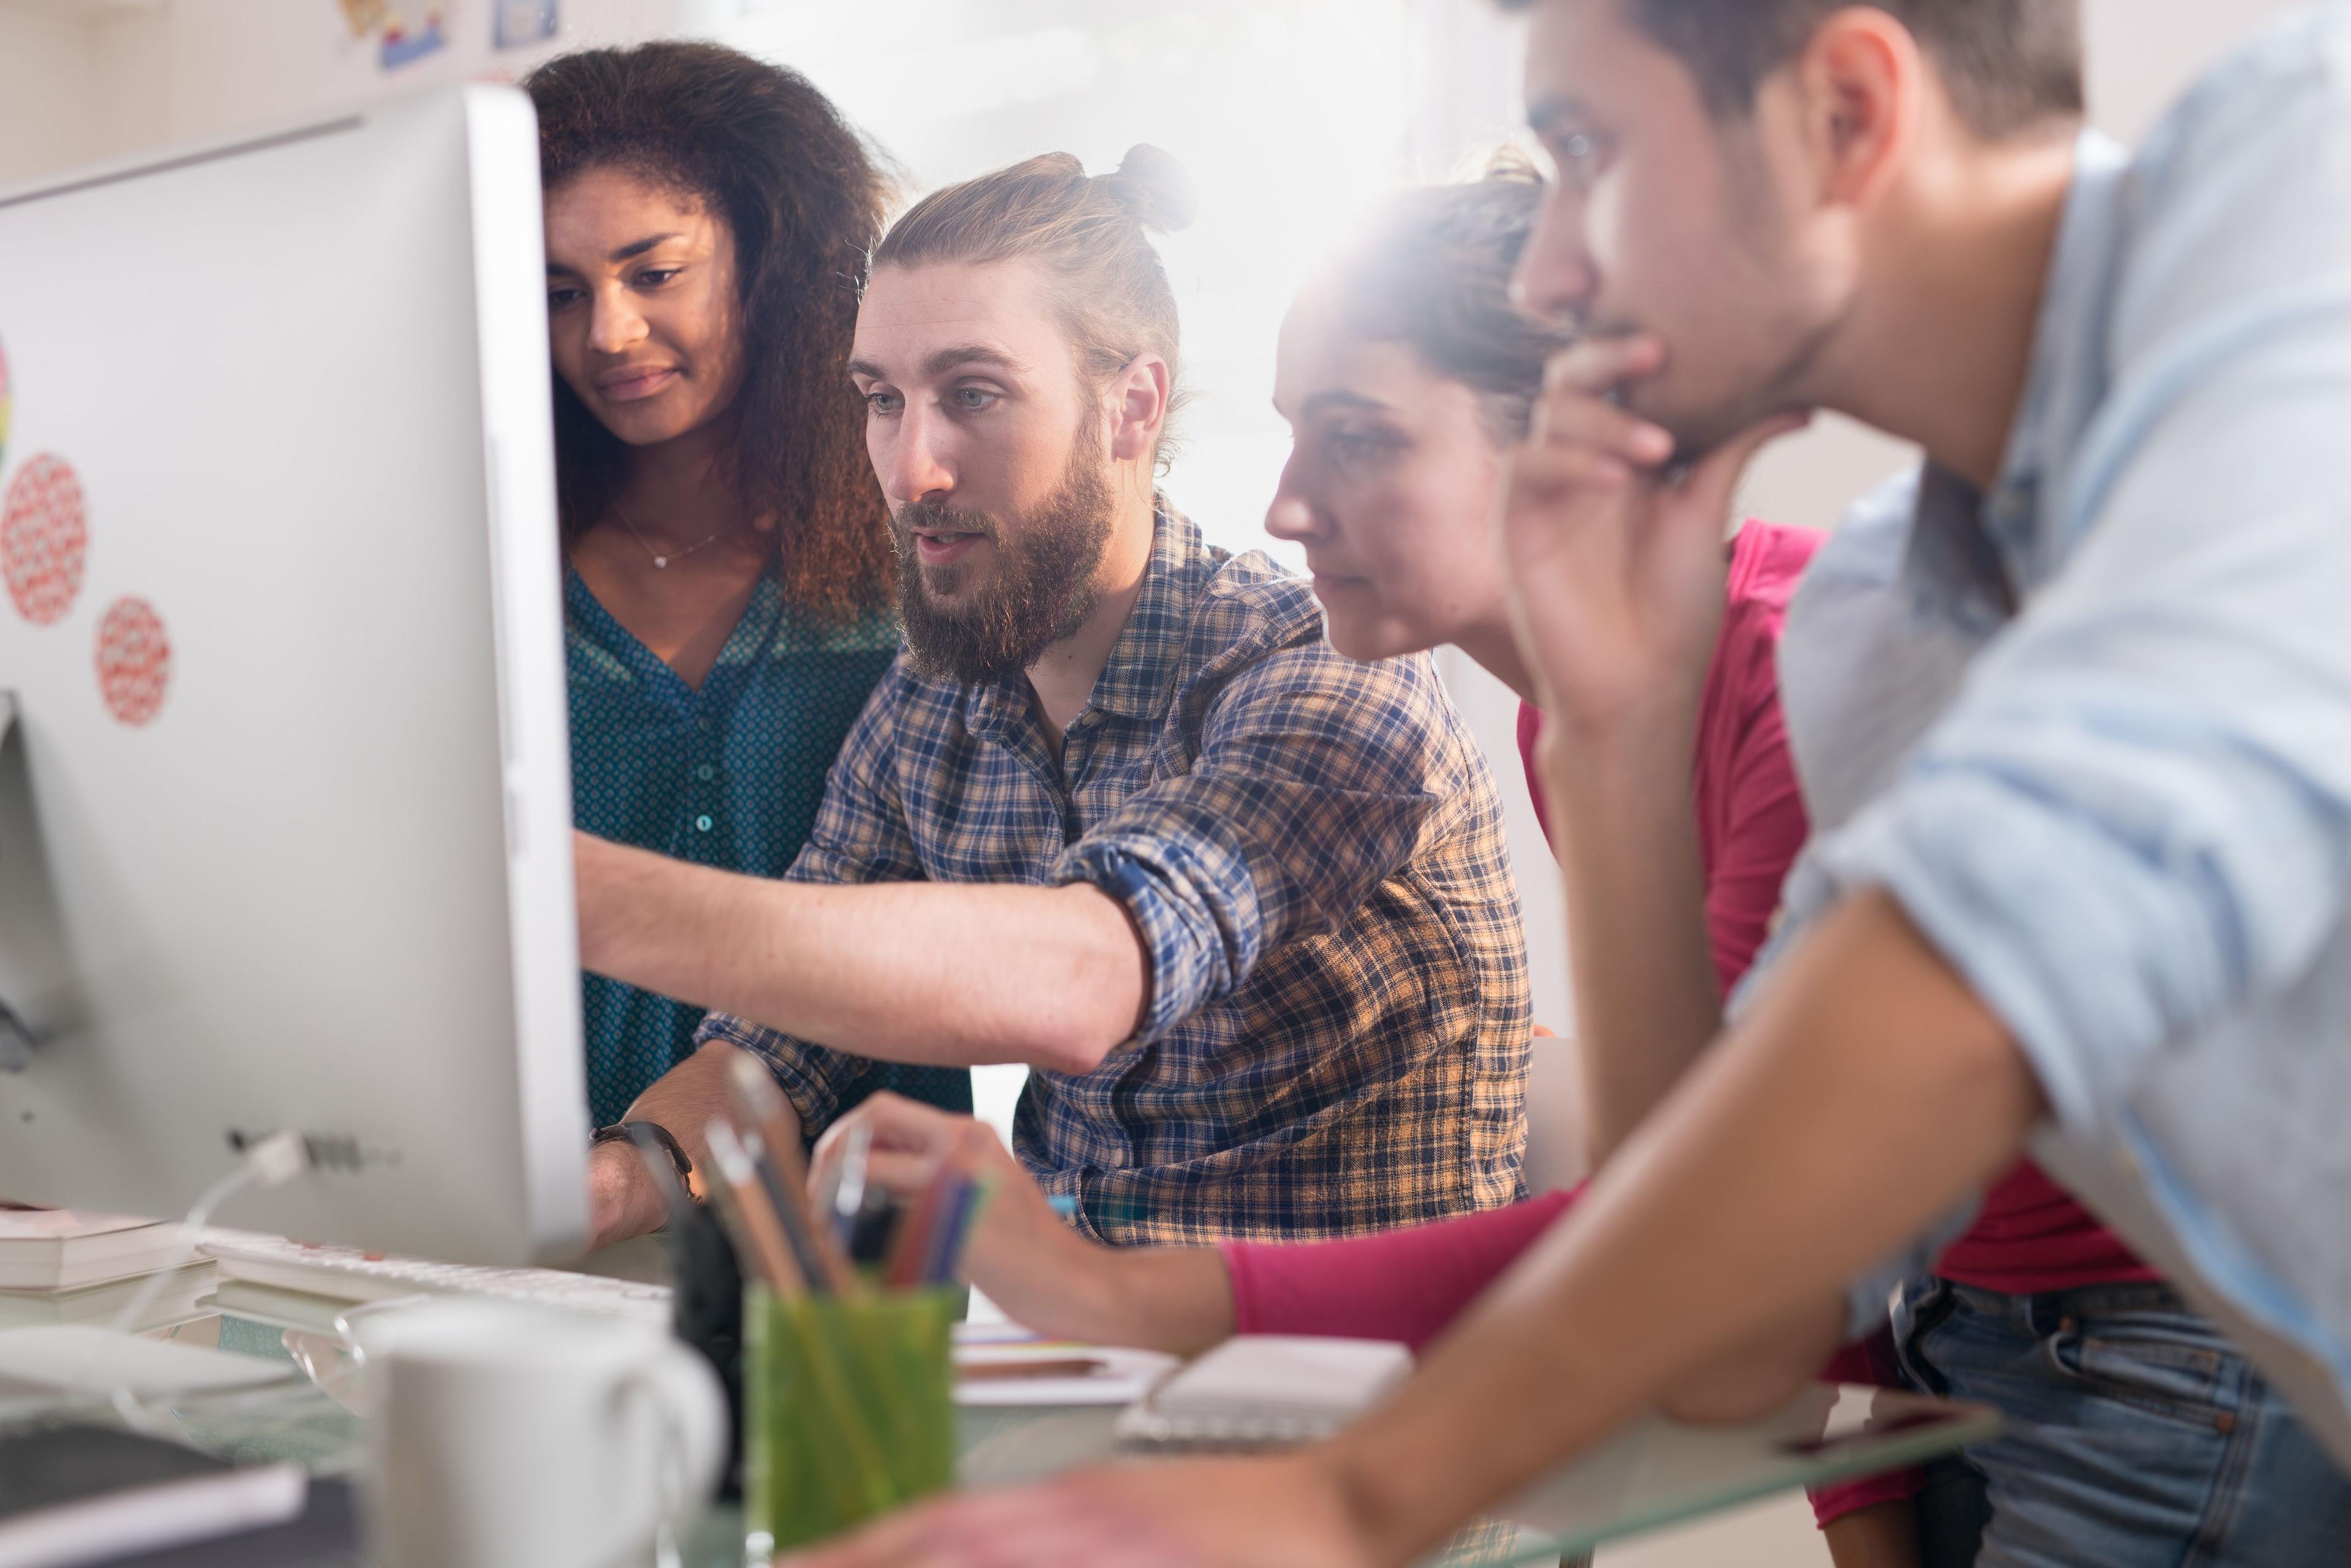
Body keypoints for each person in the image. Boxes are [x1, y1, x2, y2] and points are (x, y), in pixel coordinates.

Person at [787, 2, 2351, 1564]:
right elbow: (1740, 1298)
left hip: (2177, 1372)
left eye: (1589, 150)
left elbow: (2038, 897)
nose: (1546, 275)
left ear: (1849, 111)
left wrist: (1350, 1496)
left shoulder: (2297, 193)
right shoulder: (1885, 619)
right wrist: (1612, 724)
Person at [801, 169, 1925, 1566]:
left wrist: (1119, 1298)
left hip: (2120, 1364)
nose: (1285, 507)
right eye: (1293, 437)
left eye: (1360, 440)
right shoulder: (1582, 725)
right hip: (1962, 1356)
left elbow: (1735, 1261)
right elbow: (1763, 1238)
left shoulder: (1723, 677)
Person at [574, 148, 1531, 1256]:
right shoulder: (932, 705)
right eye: (882, 400)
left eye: (973, 395)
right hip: (1077, 1356)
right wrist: (620, 1179)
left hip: (1374, 1374)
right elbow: (778, 1047)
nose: (910, 468)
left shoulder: (1324, 670)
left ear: (1132, 408)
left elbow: (1083, 978)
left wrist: (558, 888)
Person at [523, 43, 969, 1141]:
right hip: (563, 1207)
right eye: (560, 292)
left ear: (768, 261)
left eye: (654, 273)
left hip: (858, 1217)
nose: (607, 333)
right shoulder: (497, 565)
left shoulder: (918, 538)